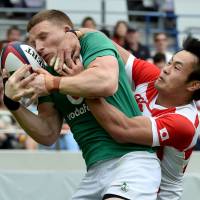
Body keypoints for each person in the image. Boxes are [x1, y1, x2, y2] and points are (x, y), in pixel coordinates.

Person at [1, 10, 161, 200]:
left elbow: (106, 83)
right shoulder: (45, 73)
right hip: (94, 171)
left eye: (43, 37)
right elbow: (48, 133)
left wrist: (52, 84)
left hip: (133, 161)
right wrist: (12, 104)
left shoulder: (90, 42)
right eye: (33, 42)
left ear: (66, 31)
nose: (39, 47)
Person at [85, 36, 200, 200]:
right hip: (124, 173)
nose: (166, 69)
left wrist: (85, 87)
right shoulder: (153, 78)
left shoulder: (184, 123)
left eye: (177, 68)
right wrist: (74, 35)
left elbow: (122, 130)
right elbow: (104, 43)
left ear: (193, 85)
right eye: (170, 62)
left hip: (154, 193)